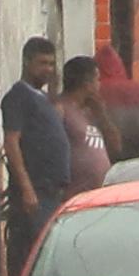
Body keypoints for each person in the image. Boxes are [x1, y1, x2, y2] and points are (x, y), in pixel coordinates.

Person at [0, 36, 71, 276]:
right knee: (30, 260)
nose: (48, 70)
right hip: (34, 194)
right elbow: (11, 142)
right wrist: (27, 188)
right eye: (42, 63)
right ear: (27, 62)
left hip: (51, 192)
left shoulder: (44, 99)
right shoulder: (18, 97)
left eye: (52, 64)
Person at [59, 52, 115, 194]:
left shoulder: (92, 111)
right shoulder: (61, 109)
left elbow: (115, 145)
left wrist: (102, 116)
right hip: (76, 192)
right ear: (86, 83)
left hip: (99, 191)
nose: (99, 85)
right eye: (97, 80)